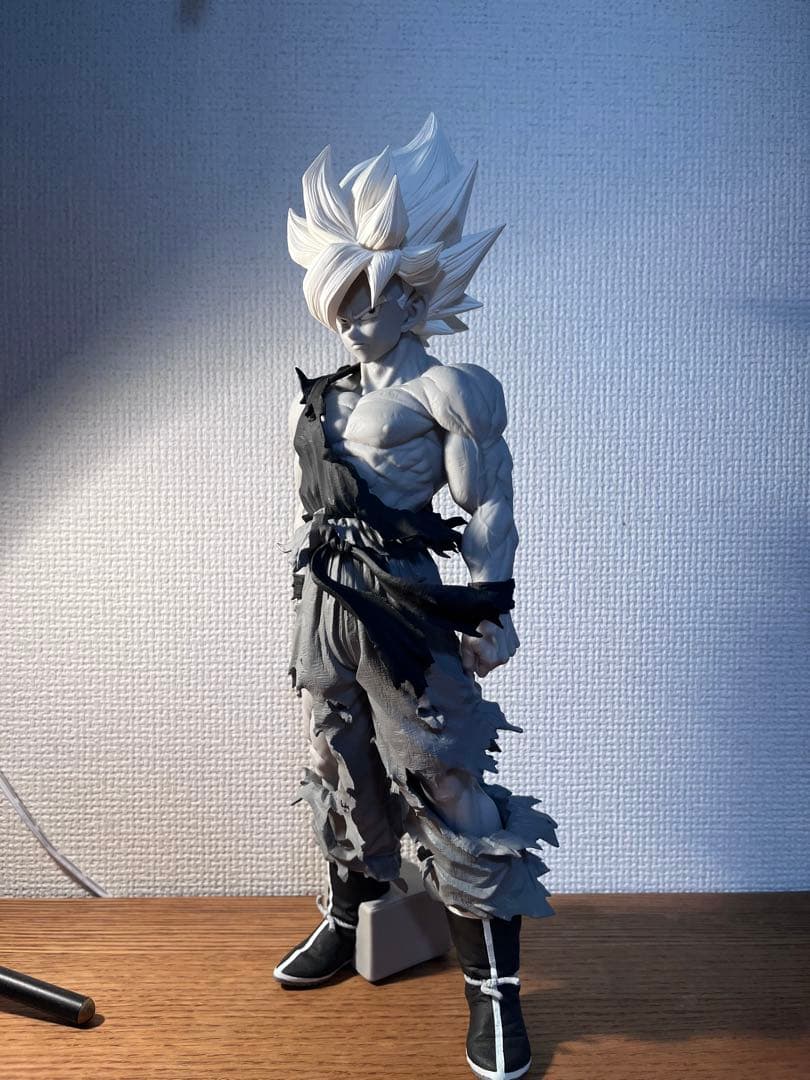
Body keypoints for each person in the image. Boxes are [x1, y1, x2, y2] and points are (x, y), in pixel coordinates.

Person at [273, 114, 559, 1080]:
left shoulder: (453, 392)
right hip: (326, 599)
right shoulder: (321, 397)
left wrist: (492, 609)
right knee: (337, 759)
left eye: (372, 295)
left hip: (405, 604)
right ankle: (348, 913)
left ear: (413, 292)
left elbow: (490, 505)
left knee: (445, 774)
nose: (355, 317)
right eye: (341, 300)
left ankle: (493, 987)